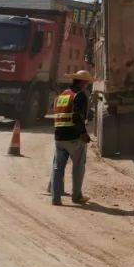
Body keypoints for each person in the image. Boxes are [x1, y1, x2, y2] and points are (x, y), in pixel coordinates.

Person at [51, 69, 92, 206]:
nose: (87, 84)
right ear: (82, 82)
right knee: (78, 167)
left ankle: (55, 198)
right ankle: (77, 196)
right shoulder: (79, 95)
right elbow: (77, 117)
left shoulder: (62, 95)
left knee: (58, 168)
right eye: (86, 82)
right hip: (74, 137)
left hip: (59, 137)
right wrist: (84, 134)